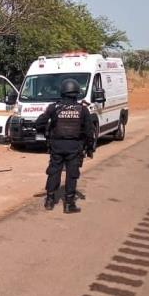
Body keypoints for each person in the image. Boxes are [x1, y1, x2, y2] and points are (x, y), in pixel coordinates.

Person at [35, 78, 95, 213]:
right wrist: (90, 147)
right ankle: (69, 204)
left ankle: (49, 201)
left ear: (62, 92)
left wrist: (45, 133)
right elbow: (89, 131)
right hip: (75, 147)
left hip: (56, 146)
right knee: (72, 175)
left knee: (54, 172)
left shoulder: (54, 107)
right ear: (76, 93)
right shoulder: (83, 109)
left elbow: (39, 123)